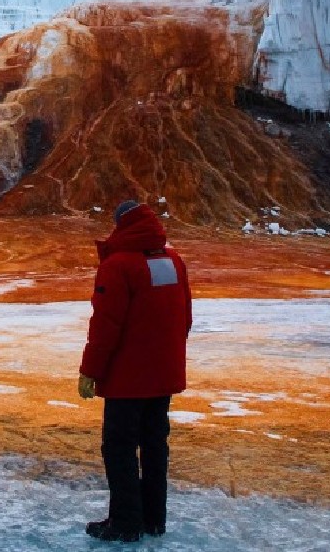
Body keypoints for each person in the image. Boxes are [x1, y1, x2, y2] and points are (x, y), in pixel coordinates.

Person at [79, 200, 192, 542]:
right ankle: (154, 519)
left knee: (119, 447)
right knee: (155, 445)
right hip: (163, 376)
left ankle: (126, 523)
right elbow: (184, 317)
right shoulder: (173, 261)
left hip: (128, 381)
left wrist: (90, 371)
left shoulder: (118, 265)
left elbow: (106, 326)